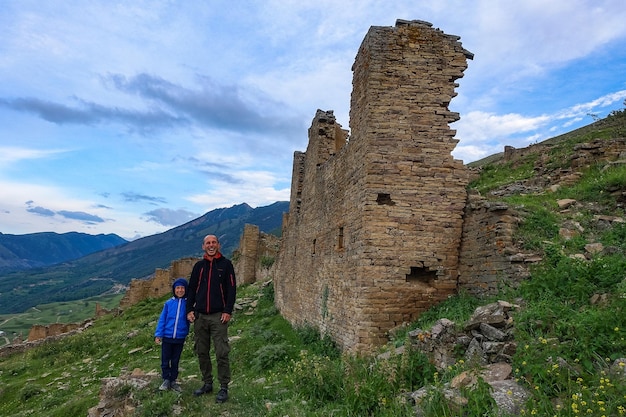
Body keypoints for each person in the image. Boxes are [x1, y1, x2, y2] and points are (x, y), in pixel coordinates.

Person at [186, 234, 237, 403]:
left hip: (218, 316)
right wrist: (189, 309)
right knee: (202, 351)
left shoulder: (226, 265)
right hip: (200, 316)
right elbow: (192, 289)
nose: (211, 245)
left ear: (218, 245)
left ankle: (224, 387)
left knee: (221, 352)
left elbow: (231, 290)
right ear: (203, 246)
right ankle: (207, 383)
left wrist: (228, 310)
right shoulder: (199, 267)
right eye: (208, 243)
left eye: (213, 242)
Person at [155, 277, 190, 393]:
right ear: (174, 289)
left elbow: (191, 318)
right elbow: (162, 320)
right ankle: (166, 379)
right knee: (165, 360)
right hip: (167, 336)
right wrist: (159, 334)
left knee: (175, 360)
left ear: (186, 289)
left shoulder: (188, 304)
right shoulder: (169, 303)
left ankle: (173, 380)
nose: (180, 290)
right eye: (177, 288)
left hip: (179, 337)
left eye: (182, 288)